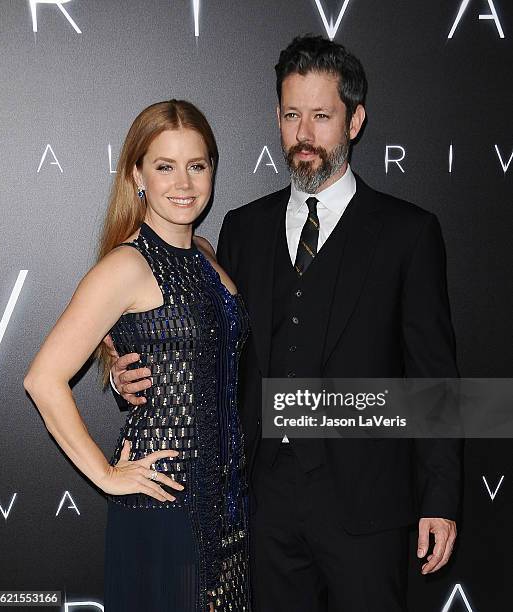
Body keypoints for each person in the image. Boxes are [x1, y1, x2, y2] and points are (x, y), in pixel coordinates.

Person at [111, 37, 462, 611]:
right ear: (277, 117)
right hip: (261, 502)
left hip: (367, 506)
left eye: (322, 116)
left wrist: (441, 497)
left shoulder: (408, 233)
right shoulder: (242, 229)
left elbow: (437, 380)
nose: (304, 134)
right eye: (292, 114)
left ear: (355, 120)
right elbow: (210, 345)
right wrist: (130, 373)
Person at [24, 100, 251, 612]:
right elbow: (43, 379)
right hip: (165, 503)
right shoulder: (127, 265)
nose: (184, 183)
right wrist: (107, 475)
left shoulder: (207, 253)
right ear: (137, 175)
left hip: (228, 502)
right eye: (165, 166)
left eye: (197, 165)